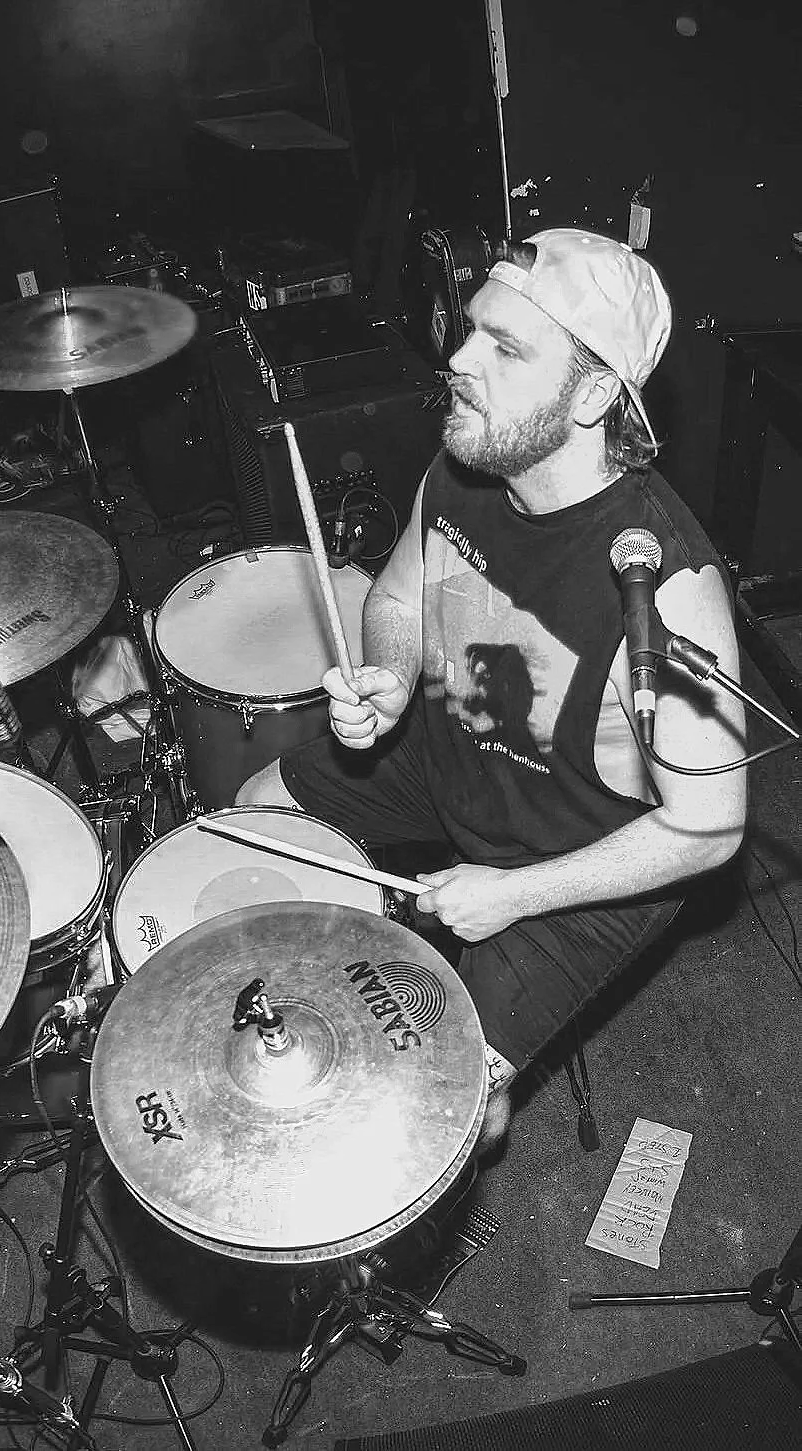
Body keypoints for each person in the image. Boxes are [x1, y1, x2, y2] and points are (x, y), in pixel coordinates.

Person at [236, 228, 747, 1152]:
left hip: (578, 854)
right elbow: (396, 597)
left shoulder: (661, 583)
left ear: (593, 394)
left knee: (453, 1104)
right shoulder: (467, 467)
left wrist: (517, 893)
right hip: (449, 755)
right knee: (253, 809)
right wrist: (392, 679)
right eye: (471, 328)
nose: (459, 360)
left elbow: (709, 827)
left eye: (504, 348)